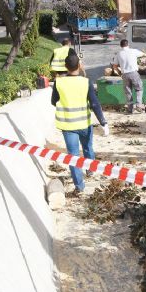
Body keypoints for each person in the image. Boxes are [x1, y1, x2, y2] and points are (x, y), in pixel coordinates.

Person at [51, 54, 108, 194]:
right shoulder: (85, 82)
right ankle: (91, 170)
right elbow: (94, 103)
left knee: (73, 156)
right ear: (79, 66)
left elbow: (53, 101)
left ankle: (79, 186)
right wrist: (103, 122)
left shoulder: (59, 82)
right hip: (84, 123)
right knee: (88, 147)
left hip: (68, 126)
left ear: (65, 67)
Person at [112, 39, 146, 113]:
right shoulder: (133, 51)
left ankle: (130, 109)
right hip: (133, 73)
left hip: (124, 74)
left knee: (128, 91)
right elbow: (144, 54)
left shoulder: (118, 54)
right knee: (139, 88)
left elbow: (114, 65)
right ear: (128, 45)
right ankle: (138, 105)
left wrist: (119, 72)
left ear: (120, 46)